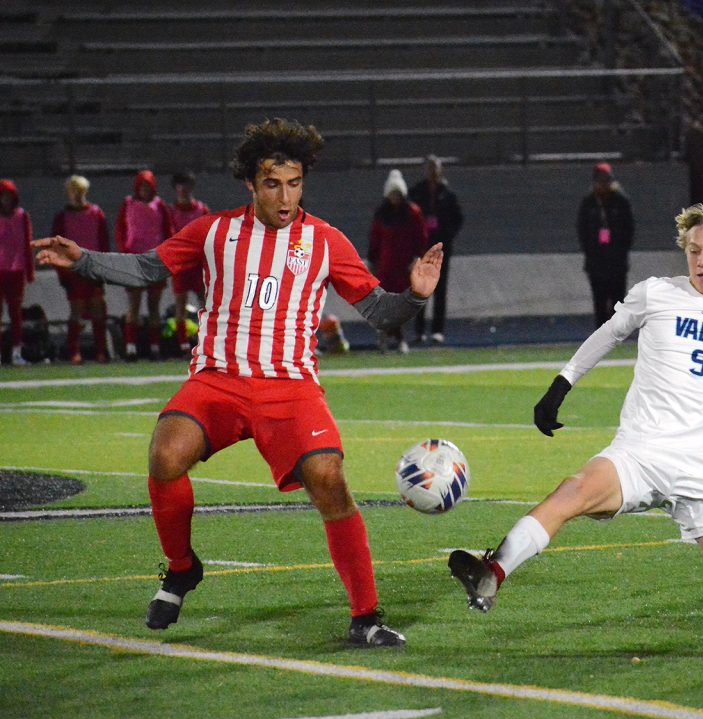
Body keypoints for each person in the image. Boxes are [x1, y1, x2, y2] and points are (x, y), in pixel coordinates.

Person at [35, 118, 443, 647]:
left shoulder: (325, 242)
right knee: (165, 455)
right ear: (250, 185)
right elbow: (147, 269)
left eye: (294, 183)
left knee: (330, 479)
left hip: (289, 388)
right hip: (218, 380)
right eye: (273, 184)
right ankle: (181, 569)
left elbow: (381, 314)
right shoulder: (213, 232)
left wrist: (413, 295)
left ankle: (365, 616)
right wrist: (84, 259)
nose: (286, 195)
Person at [449, 203, 703, 620]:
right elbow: (608, 334)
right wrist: (561, 384)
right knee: (570, 492)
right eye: (695, 249)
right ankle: (494, 571)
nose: (702, 260)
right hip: (640, 454)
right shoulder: (657, 293)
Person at [367, 169, 429, 354]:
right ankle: (386, 335)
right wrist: (372, 261)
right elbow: (375, 239)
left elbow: (421, 237)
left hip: (404, 266)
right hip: (386, 267)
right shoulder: (382, 214)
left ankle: (398, 337)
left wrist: (418, 258)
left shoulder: (412, 212)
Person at [51, 175, 110, 364]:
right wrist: (62, 273)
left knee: (98, 310)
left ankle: (101, 351)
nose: (76, 196)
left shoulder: (96, 214)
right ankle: (74, 352)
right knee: (76, 312)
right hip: (73, 271)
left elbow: (103, 243)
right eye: (73, 192)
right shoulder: (62, 217)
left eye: (79, 192)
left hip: (93, 269)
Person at [115, 169, 173, 360]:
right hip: (134, 259)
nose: (145, 189)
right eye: (142, 186)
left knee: (154, 305)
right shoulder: (128, 203)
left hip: (155, 260)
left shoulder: (160, 205)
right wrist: (124, 251)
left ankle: (155, 348)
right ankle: (131, 348)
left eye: (148, 186)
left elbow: (168, 232)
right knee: (134, 305)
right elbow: (120, 230)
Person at [408, 155, 463, 344]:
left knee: (440, 289)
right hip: (423, 247)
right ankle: (419, 330)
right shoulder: (417, 192)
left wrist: (447, 235)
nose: (433, 171)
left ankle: (438, 330)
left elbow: (458, 218)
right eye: (430, 168)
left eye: (436, 168)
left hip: (441, 248)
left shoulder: (447, 193)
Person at [577, 161, 635, 328]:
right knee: (599, 299)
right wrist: (589, 252)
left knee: (617, 298)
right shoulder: (588, 202)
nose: (604, 184)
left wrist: (622, 251)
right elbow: (582, 229)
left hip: (616, 260)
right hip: (596, 261)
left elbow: (629, 228)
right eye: (600, 180)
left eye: (606, 180)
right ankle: (601, 333)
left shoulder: (620, 200)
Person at [168, 171, 211, 356]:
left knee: (206, 304)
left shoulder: (201, 209)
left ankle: (205, 342)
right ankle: (183, 345)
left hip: (199, 264)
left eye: (186, 185)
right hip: (180, 264)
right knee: (180, 305)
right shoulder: (170, 211)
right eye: (180, 186)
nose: (183, 190)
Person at [0, 179, 34, 366]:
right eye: (3, 196)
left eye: (9, 196)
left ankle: (16, 352)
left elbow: (26, 244)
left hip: (16, 270)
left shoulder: (21, 216)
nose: (6, 200)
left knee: (16, 314)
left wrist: (29, 272)